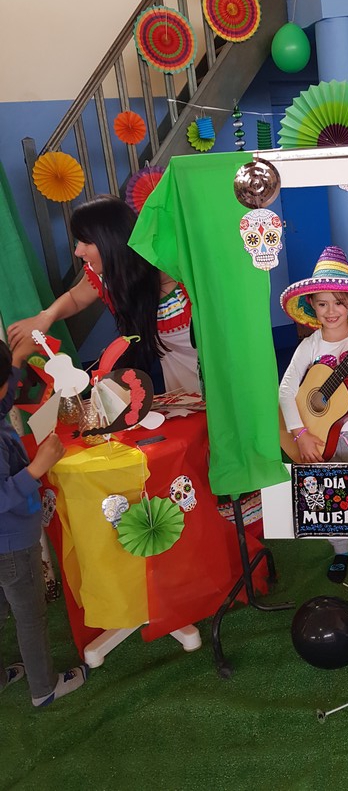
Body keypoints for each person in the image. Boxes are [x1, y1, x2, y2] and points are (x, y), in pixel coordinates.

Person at [7, 195, 200, 395]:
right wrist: (46, 316)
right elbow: (75, 298)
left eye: (86, 242)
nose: (78, 251)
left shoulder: (172, 270)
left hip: (212, 370)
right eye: (78, 241)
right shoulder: (106, 276)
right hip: (178, 382)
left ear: (112, 240)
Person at [279, 245, 348, 584]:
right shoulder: (310, 345)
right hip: (315, 435)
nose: (331, 311)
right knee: (327, 494)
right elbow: (286, 390)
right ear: (311, 304)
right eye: (323, 303)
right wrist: (299, 432)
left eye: (338, 303)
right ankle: (340, 550)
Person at [0, 338, 88, 707]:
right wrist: (37, 467)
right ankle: (44, 688)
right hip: (11, 545)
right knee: (30, 616)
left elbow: (3, 400)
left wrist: (16, 361)